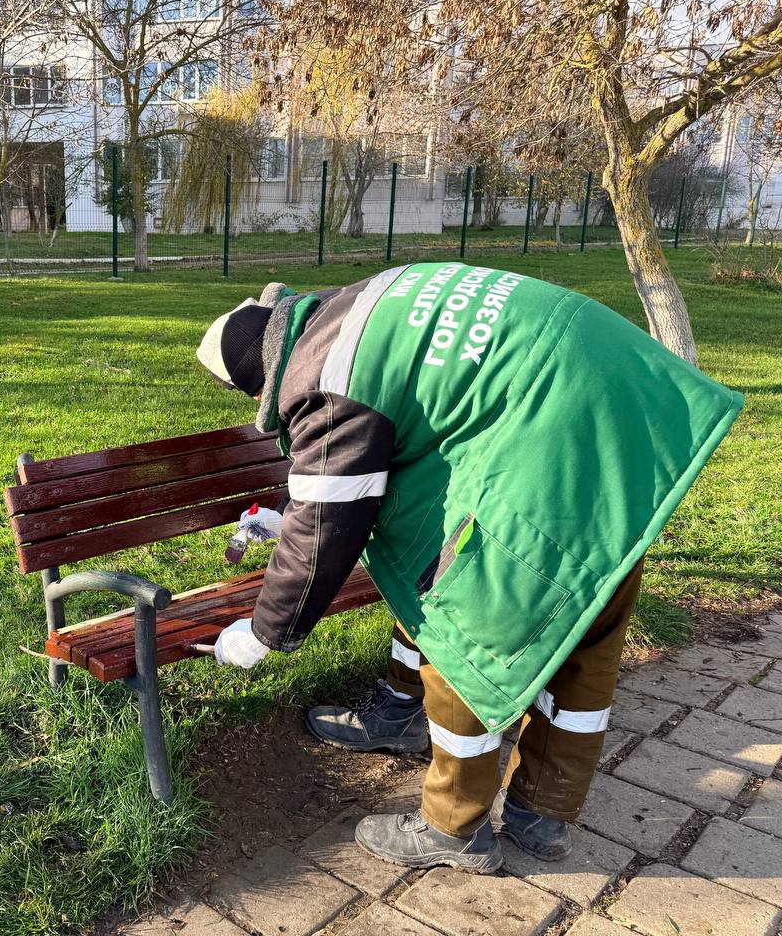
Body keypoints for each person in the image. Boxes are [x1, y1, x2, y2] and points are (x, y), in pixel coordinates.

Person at [197, 264, 742, 874]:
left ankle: (452, 825)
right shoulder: (359, 308)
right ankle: (544, 815)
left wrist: (266, 631)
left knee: (464, 617)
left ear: (259, 380)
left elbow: (328, 523)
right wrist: (297, 509)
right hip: (622, 405)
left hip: (547, 430)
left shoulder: (326, 377)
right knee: (591, 612)